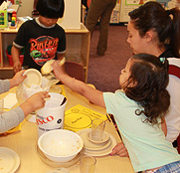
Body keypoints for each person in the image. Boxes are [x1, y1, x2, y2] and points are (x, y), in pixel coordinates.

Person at [52, 54, 180, 172]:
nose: (121, 71)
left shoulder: (120, 101)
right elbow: (162, 132)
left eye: (124, 71)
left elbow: (85, 90)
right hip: (174, 160)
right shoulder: (153, 102)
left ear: (134, 82)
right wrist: (132, 143)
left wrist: (62, 76)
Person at [111, 1, 180, 157]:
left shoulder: (171, 74)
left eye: (130, 35)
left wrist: (135, 146)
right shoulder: (144, 62)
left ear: (148, 36)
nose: (127, 40)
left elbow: (171, 129)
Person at [11, 0, 66, 73]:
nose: (50, 21)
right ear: (39, 11)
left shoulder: (60, 32)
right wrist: (16, 61)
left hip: (51, 74)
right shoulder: (27, 27)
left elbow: (61, 55)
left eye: (54, 18)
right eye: (47, 17)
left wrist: (61, 71)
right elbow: (15, 48)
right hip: (30, 72)